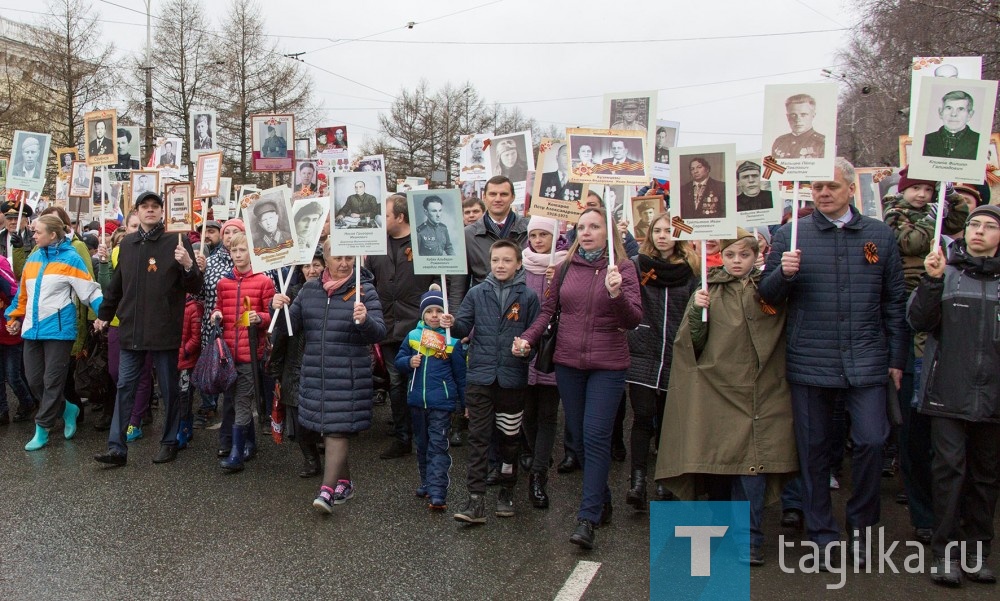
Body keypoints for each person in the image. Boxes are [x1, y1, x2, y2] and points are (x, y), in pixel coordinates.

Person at [758, 157, 908, 569]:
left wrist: (896, 357)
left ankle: (862, 527)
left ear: (850, 190)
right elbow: (766, 299)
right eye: (818, 186)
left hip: (867, 359)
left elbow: (894, 302)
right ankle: (822, 533)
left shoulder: (880, 235)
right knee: (813, 449)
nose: (823, 193)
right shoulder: (791, 235)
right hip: (811, 360)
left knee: (872, 441)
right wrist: (783, 275)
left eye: (832, 186)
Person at [657, 229, 797, 566]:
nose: (736, 261)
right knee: (719, 465)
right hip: (718, 391)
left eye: (743, 255)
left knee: (753, 465)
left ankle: (749, 538)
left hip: (760, 392)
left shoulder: (769, 289)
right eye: (730, 255)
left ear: (756, 254)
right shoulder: (709, 289)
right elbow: (693, 342)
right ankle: (718, 532)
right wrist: (696, 311)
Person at [518, 207, 642, 550]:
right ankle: (601, 501)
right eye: (581, 227)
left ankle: (586, 518)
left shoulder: (624, 268)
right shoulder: (566, 267)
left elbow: (633, 319)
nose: (586, 232)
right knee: (581, 438)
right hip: (569, 363)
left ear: (608, 232)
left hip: (608, 365)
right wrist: (529, 337)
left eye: (594, 226)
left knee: (596, 436)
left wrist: (616, 294)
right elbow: (548, 309)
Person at [909, 205, 1000, 585]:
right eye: (973, 224)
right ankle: (944, 555)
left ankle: (977, 552)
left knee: (986, 477)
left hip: (994, 396)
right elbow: (918, 321)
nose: (978, 231)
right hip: (947, 390)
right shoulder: (944, 273)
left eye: (989, 226)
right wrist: (930, 283)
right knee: (949, 473)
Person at [93, 191, 204, 467]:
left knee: (169, 390)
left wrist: (188, 265)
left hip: (164, 330)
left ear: (162, 212)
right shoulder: (128, 244)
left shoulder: (177, 242)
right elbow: (118, 285)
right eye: (145, 206)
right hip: (132, 331)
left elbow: (195, 287)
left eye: (155, 206)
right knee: (124, 388)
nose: (150, 210)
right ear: (138, 211)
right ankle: (117, 448)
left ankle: (169, 441)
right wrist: (104, 315)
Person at [441, 239, 540, 523]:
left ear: (518, 264)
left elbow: (536, 338)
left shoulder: (528, 297)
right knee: (478, 438)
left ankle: (507, 492)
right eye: (496, 260)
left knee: (510, 440)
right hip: (481, 378)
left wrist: (527, 350)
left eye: (507, 260)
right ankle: (475, 501)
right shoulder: (476, 293)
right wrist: (452, 323)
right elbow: (463, 328)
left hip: (511, 380)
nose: (500, 265)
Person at [288, 250, 386, 512]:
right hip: (316, 372)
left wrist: (365, 320)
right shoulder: (309, 291)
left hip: (348, 374)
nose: (344, 263)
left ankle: (327, 490)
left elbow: (379, 332)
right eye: (338, 258)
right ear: (327, 259)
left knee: (336, 429)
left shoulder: (364, 291)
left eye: (349, 258)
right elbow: (291, 327)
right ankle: (345, 482)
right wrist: (279, 308)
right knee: (328, 426)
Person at [5, 214, 103, 451]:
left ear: (53, 234)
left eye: (38, 232)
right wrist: (15, 316)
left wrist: (103, 313)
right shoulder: (34, 258)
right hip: (32, 329)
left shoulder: (72, 259)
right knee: (34, 380)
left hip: (59, 331)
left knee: (51, 381)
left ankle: (43, 428)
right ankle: (68, 408)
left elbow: (90, 291)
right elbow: (22, 294)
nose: (33, 235)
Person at [625, 212, 699, 509]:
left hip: (676, 353)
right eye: (657, 230)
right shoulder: (637, 266)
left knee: (670, 423)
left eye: (669, 230)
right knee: (643, 417)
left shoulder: (693, 271)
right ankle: (638, 480)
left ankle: (666, 479)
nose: (663, 235)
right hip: (643, 350)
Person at [366, 194, 439, 461]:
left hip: (417, 326)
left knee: (419, 381)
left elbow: (437, 278)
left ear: (400, 216)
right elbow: (370, 282)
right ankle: (402, 437)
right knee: (396, 381)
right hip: (387, 325)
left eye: (385, 215)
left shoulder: (424, 241)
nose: (380, 220)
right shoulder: (376, 246)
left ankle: (427, 436)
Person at [395, 284, 467, 510]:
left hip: (442, 402)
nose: (434, 316)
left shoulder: (451, 341)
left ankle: (438, 491)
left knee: (438, 445)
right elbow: (398, 361)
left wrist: (465, 403)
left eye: (438, 311)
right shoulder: (413, 336)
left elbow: (461, 375)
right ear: (422, 314)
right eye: (429, 311)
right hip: (417, 400)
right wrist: (408, 362)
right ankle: (426, 482)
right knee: (423, 444)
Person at [210, 232, 274, 471]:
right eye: (234, 251)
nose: (237, 255)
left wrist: (261, 317)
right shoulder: (223, 283)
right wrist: (215, 314)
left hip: (250, 354)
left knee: (242, 402)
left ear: (252, 253)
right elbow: (219, 308)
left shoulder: (263, 282)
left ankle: (236, 453)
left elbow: (271, 317)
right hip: (227, 354)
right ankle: (249, 442)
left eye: (242, 250)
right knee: (235, 400)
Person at [519, 216, 569, 509]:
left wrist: (556, 282)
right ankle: (534, 450)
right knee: (528, 411)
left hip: (553, 349)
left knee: (548, 414)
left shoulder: (564, 264)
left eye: (544, 235)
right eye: (534, 235)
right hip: (526, 347)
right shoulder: (522, 265)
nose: (538, 241)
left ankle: (539, 474)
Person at [269, 248, 326, 477]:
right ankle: (310, 458)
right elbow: (281, 334)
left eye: (317, 265)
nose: (311, 270)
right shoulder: (290, 293)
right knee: (298, 414)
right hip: (295, 362)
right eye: (306, 266)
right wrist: (277, 309)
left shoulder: (332, 293)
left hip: (322, 361)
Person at [448, 176, 529, 308]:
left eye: (503, 194)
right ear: (484, 197)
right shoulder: (467, 235)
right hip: (483, 309)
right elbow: (459, 285)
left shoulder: (529, 230)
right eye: (493, 194)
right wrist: (456, 322)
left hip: (521, 308)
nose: (498, 199)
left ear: (513, 197)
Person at [197, 219, 244, 438]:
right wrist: (197, 271)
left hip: (240, 331)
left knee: (237, 382)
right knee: (214, 370)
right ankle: (208, 406)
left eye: (236, 231)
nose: (230, 235)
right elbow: (200, 295)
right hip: (214, 328)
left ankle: (235, 431)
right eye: (227, 232)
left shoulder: (249, 262)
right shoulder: (211, 261)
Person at [0, 254, 35, 424]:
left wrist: (15, 320)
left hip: (9, 331)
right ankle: (2, 411)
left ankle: (27, 403)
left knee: (13, 375)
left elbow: (16, 295)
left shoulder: (0, 265)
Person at [175, 291, 203, 449]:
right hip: (174, 360)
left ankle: (184, 430)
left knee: (185, 396)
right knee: (176, 397)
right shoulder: (170, 305)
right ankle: (182, 427)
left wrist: (184, 351)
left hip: (186, 362)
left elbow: (196, 338)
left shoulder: (193, 308)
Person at [922, 90, 980, 160]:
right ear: (940, 112)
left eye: (961, 109)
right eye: (949, 108)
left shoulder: (980, 141)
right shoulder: (924, 141)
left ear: (970, 115)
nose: (953, 114)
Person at [771, 93, 826, 159]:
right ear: (787, 117)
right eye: (793, 115)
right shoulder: (779, 142)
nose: (798, 120)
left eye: (803, 114)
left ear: (813, 115)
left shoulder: (822, 143)